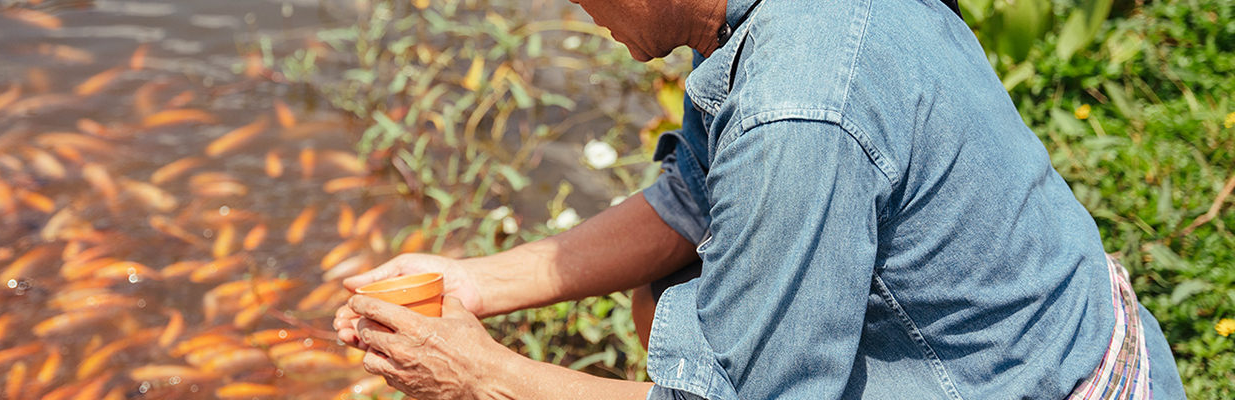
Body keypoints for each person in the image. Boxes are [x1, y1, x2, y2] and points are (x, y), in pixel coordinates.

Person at [333, 0, 1188, 398]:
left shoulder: (795, 102)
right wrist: (473, 284)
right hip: (1061, 340)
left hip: (1033, 386)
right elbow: (692, 200)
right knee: (667, 294)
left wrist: (487, 376)